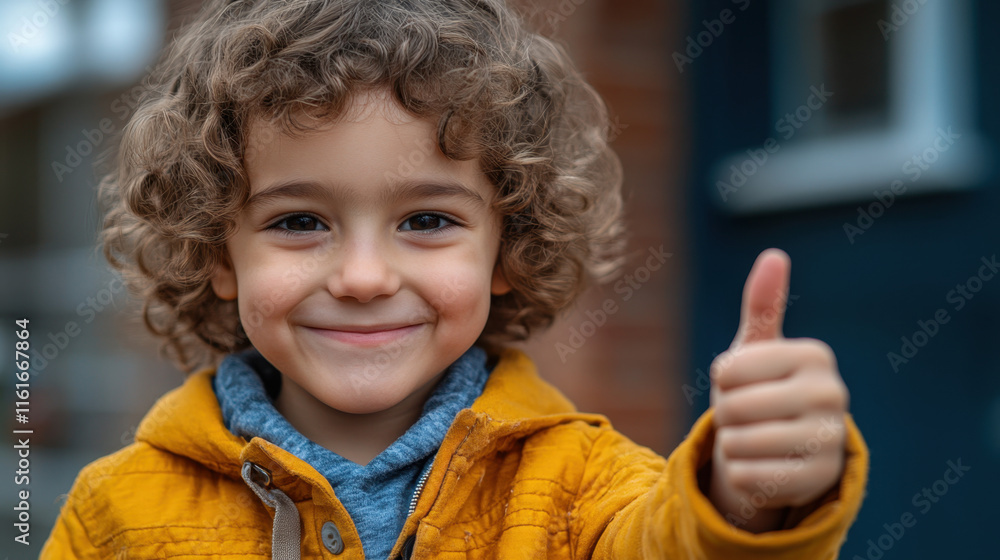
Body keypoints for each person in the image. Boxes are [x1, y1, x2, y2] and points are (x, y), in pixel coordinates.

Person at [41, 0, 868, 558]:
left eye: (427, 221)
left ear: (507, 248)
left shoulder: (586, 489)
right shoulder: (114, 510)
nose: (364, 277)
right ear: (220, 257)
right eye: (300, 222)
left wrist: (746, 498)